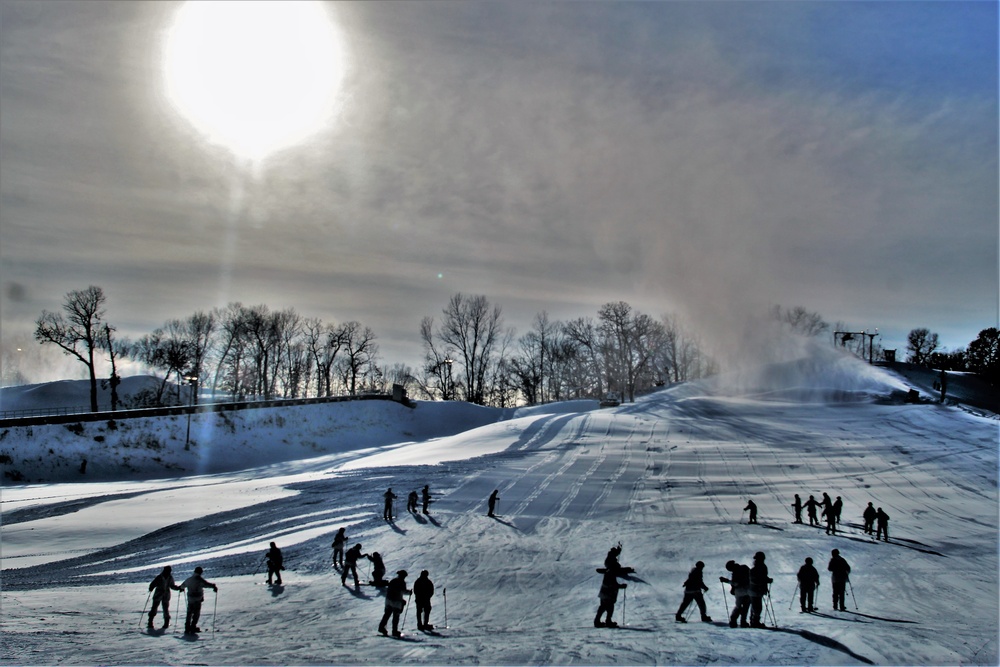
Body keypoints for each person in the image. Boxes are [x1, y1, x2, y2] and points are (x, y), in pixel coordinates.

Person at [179, 566, 218, 635]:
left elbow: (182, 586)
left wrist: (181, 588)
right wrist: (213, 586)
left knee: (189, 613)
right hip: (197, 599)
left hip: (190, 599)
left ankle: (187, 627)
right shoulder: (199, 579)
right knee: (196, 613)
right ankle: (193, 627)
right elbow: (206, 584)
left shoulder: (189, 579)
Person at [594, 560, 628, 627]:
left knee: (603, 607)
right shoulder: (610, 573)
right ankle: (607, 621)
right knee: (609, 607)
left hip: (604, 593)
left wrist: (619, 586)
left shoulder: (609, 572)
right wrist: (621, 586)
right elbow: (612, 584)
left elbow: (612, 584)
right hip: (608, 594)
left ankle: (598, 621)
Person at [379, 570, 411, 637]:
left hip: (388, 599)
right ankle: (394, 631)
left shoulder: (393, 580)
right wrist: (409, 592)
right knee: (396, 616)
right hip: (396, 601)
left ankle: (381, 627)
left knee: (387, 614)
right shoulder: (402, 582)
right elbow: (403, 591)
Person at [147, 565, 181, 629]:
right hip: (158, 594)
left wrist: (178, 588)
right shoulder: (159, 577)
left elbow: (172, 586)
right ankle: (150, 622)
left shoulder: (170, 577)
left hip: (165, 595)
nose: (169, 572)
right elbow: (153, 584)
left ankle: (166, 623)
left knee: (165, 609)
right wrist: (151, 587)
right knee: (154, 608)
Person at [720, 560, 751, 628]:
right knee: (746, 607)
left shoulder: (736, 572)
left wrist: (727, 581)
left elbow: (735, 583)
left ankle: (733, 620)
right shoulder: (744, 567)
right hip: (748, 591)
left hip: (739, 592)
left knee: (738, 606)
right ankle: (743, 622)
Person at [748, 551, 772, 628]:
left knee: (756, 606)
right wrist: (766, 580)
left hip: (756, 590)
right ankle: (755, 622)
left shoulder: (760, 567)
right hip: (755, 590)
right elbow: (755, 580)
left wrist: (767, 580)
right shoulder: (758, 569)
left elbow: (762, 577)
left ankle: (754, 621)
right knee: (757, 607)